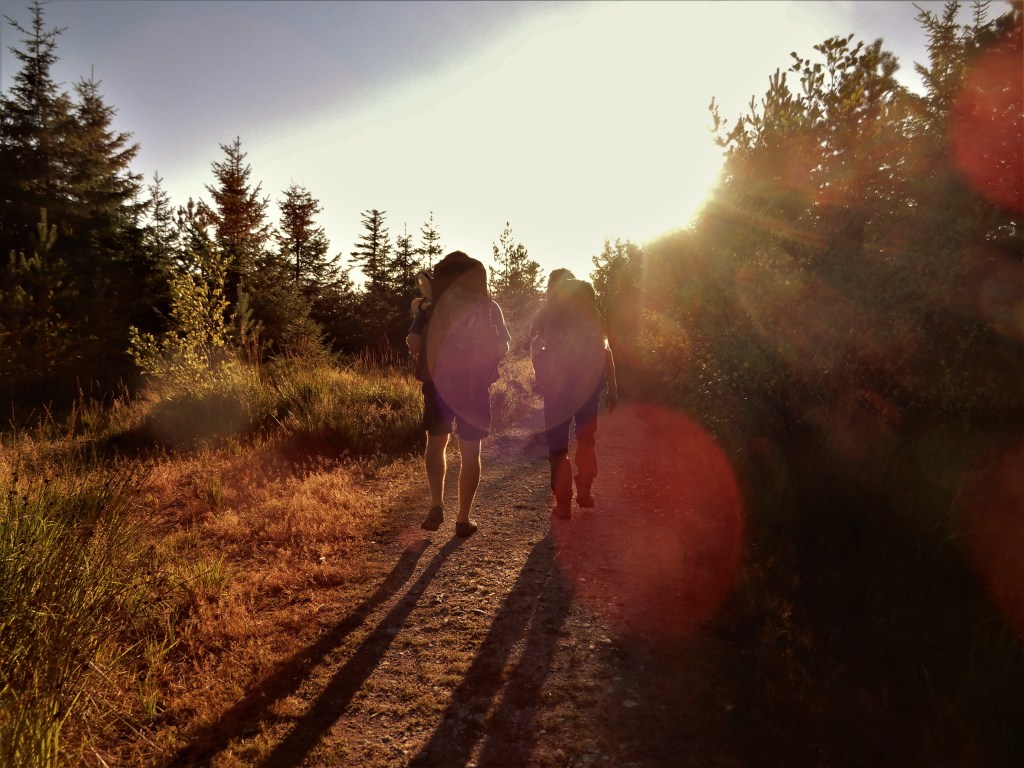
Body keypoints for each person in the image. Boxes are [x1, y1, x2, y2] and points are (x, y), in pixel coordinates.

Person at [407, 251, 511, 538]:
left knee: (436, 443)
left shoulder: (431, 306)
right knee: (470, 452)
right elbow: (503, 346)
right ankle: (463, 518)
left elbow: (414, 343)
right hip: (474, 387)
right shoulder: (489, 306)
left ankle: (436, 505)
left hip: (438, 384)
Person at [529, 268, 618, 519]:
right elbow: (606, 349)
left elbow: (535, 348)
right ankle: (585, 490)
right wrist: (613, 387)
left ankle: (563, 502)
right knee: (586, 438)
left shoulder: (545, 314)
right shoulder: (591, 314)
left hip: (557, 389)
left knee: (558, 444)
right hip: (588, 386)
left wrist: (540, 378)